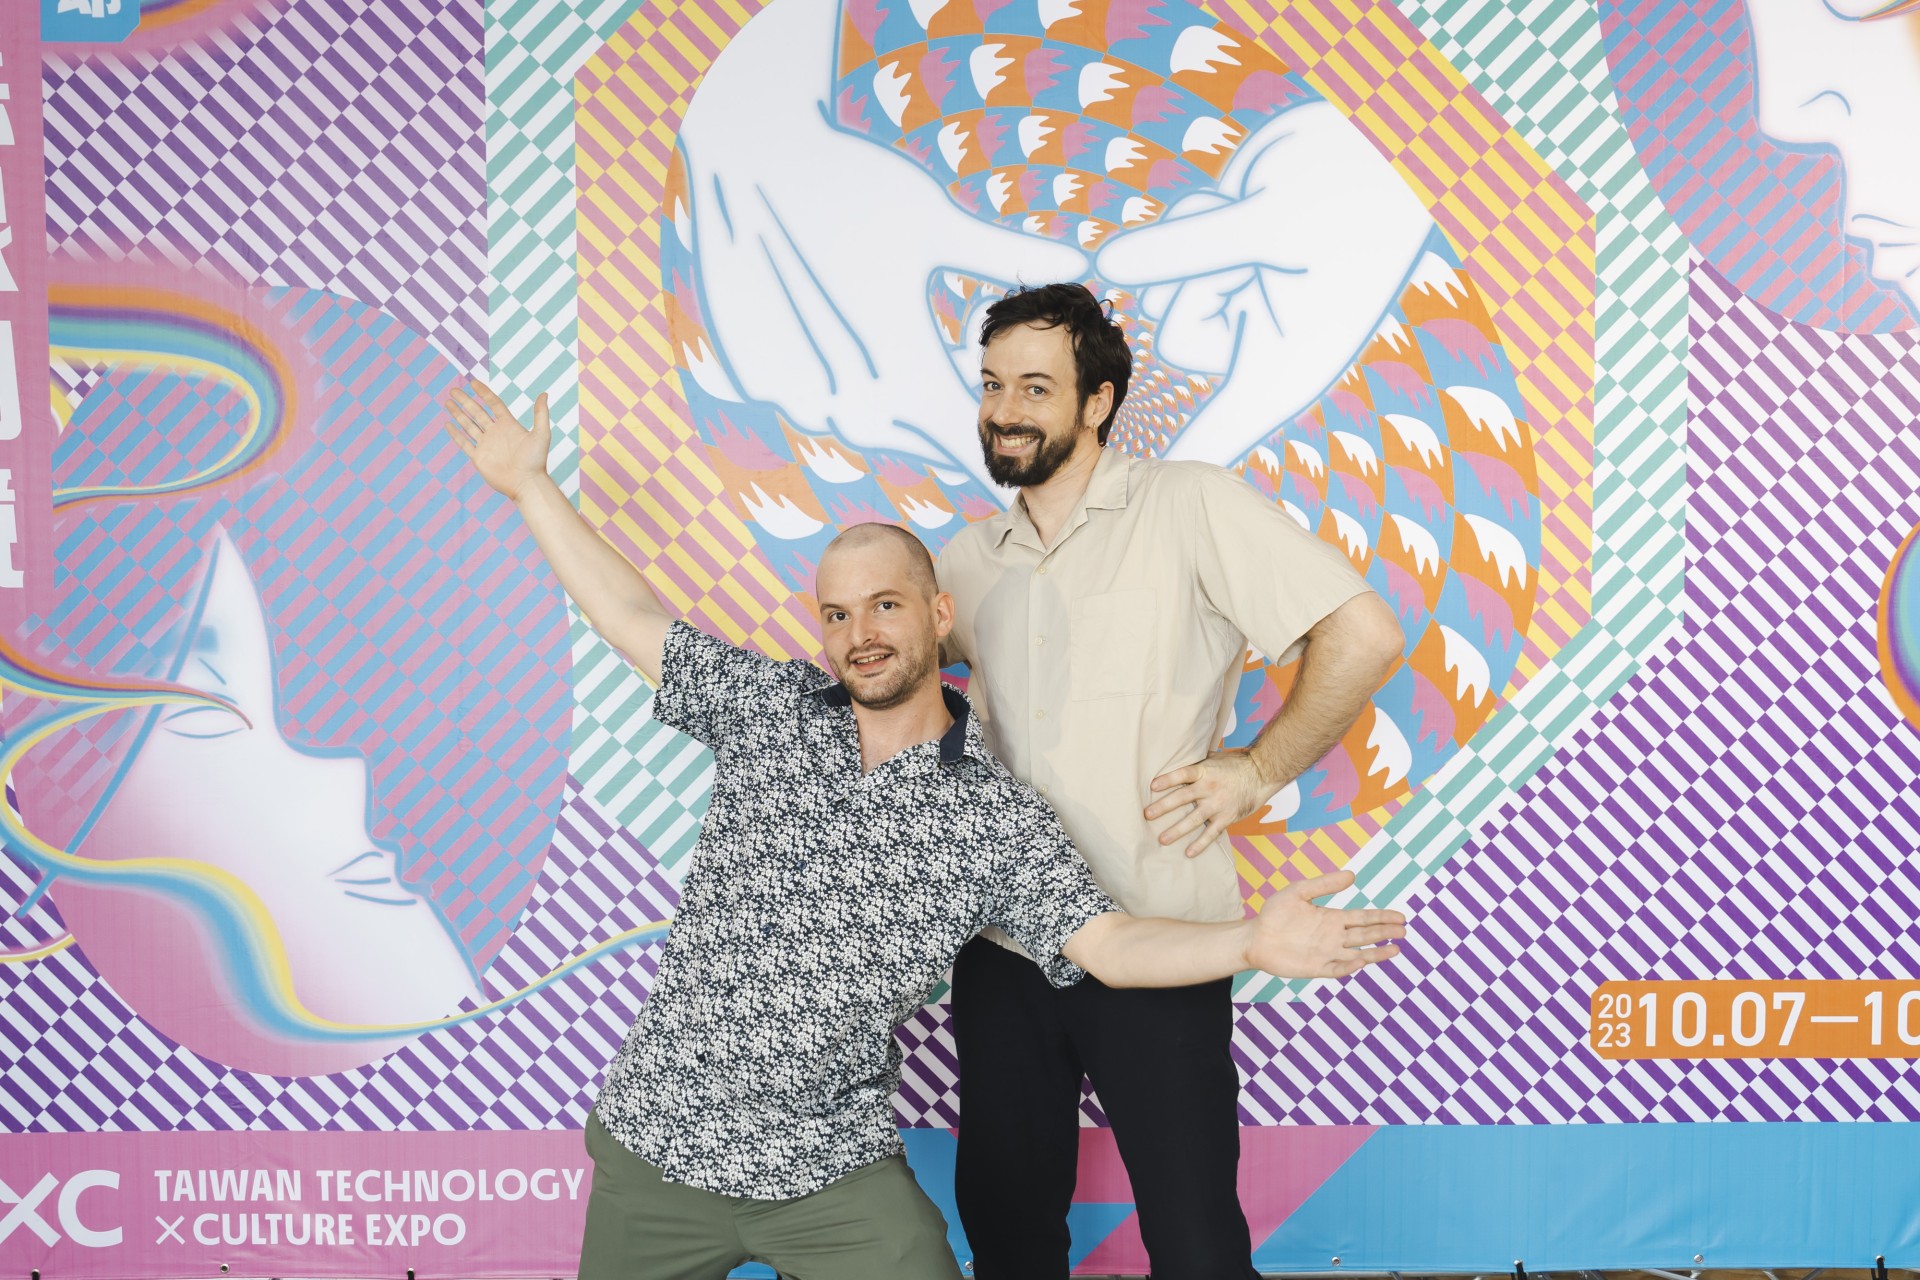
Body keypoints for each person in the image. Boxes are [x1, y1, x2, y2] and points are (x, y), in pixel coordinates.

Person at [440, 379, 1406, 1280]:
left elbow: (1108, 944)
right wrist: (530, 487)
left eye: (886, 605)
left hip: (830, 1180)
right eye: (836, 614)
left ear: (940, 614)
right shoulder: (771, 710)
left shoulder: (994, 817)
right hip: (658, 1153)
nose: (860, 633)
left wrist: (1251, 942)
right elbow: (627, 614)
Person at [936, 282, 1408, 1278]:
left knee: (1197, 1246)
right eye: (991, 384)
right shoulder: (964, 563)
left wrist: (1257, 768)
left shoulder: (1188, 504)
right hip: (1004, 950)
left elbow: (1364, 634)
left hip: (1163, 936)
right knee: (1008, 1240)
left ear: (1098, 401)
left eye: (1034, 387)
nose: (1004, 409)